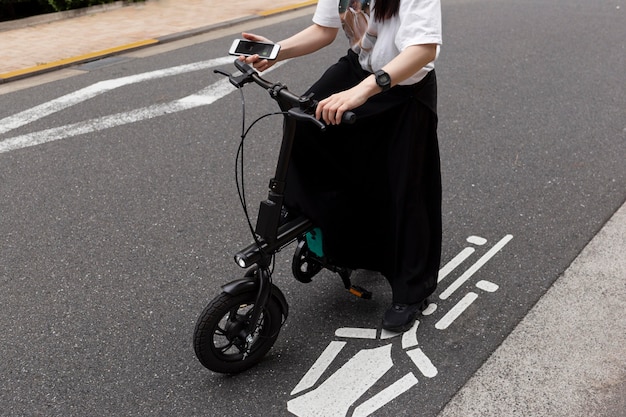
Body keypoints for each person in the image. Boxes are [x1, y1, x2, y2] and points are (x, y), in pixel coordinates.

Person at [240, 0, 442, 333]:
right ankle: (324, 222)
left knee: (406, 187)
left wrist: (362, 92)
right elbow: (324, 30)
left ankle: (412, 291)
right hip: (359, 69)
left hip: (403, 87)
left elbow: (422, 50)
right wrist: (277, 51)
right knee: (303, 122)